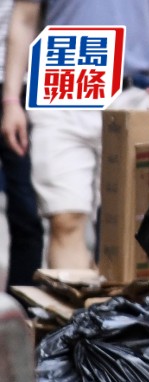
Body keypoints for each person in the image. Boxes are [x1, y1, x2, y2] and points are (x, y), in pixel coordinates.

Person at [1, 0, 149, 270]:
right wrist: (11, 102)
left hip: (129, 94)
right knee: (65, 219)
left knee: (129, 223)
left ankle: (115, 309)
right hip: (62, 85)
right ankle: (74, 310)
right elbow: (23, 19)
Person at [0, 0, 42, 289]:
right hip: (19, 91)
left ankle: (22, 311)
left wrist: (12, 100)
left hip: (26, 85)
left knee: (27, 209)